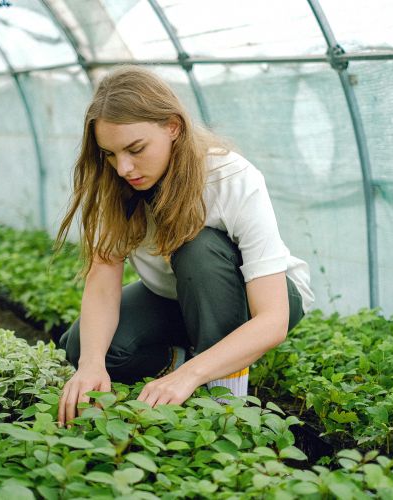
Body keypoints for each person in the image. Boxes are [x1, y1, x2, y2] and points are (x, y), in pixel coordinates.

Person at [55, 65, 314, 425]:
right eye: (110, 154)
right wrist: (91, 367)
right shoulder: (113, 185)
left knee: (198, 247)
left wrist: (189, 377)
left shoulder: (230, 178)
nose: (124, 168)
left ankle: (225, 395)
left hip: (258, 302)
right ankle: (186, 357)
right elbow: (102, 282)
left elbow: (273, 319)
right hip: (175, 297)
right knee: (82, 346)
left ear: (173, 127)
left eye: (136, 149)